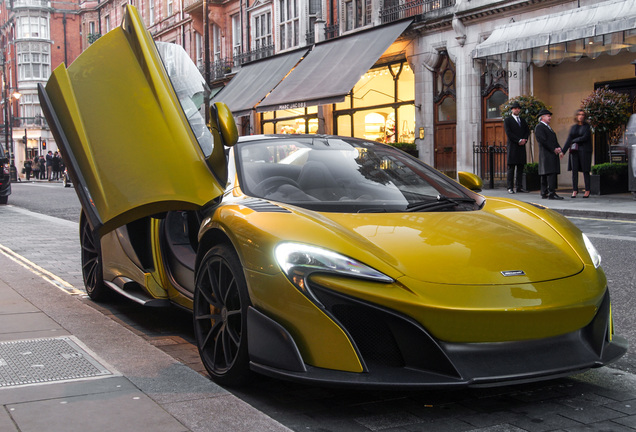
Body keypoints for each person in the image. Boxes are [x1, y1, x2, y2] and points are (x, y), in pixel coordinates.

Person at [562, 109, 592, 198]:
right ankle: (575, 190)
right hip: (574, 151)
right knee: (574, 171)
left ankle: (587, 190)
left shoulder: (587, 127)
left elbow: (585, 137)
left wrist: (574, 140)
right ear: (576, 116)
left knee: (585, 171)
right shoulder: (574, 127)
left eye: (582, 115)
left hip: (584, 151)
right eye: (579, 114)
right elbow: (568, 140)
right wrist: (563, 151)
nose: (581, 116)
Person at [535, 108, 564, 200]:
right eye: (548, 116)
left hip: (551, 153)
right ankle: (551, 193)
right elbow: (543, 141)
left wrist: (559, 149)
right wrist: (553, 149)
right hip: (546, 154)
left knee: (548, 172)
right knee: (549, 173)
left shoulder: (548, 127)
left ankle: (545, 192)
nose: (550, 118)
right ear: (542, 117)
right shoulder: (539, 127)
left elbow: (554, 140)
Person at [503, 101, 530, 193]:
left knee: (520, 167)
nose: (517, 110)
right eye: (515, 108)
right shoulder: (508, 120)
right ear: (512, 110)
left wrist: (525, 139)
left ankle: (519, 187)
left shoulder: (523, 120)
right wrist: (518, 140)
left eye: (518, 108)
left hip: (521, 147)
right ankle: (510, 187)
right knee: (511, 168)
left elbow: (527, 131)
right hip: (513, 146)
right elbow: (509, 133)